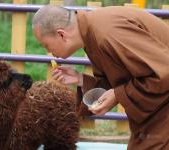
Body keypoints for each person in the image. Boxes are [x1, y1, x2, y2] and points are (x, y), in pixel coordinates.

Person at [32, 5, 169, 149]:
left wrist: (117, 95)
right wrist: (81, 79)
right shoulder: (92, 34)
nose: (49, 52)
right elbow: (120, 82)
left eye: (46, 45)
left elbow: (163, 73)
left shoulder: (107, 32)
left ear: (61, 34)